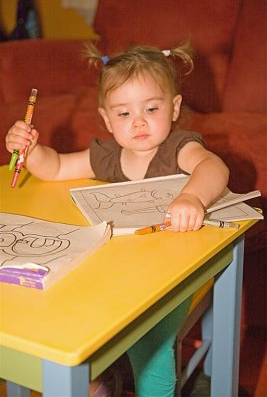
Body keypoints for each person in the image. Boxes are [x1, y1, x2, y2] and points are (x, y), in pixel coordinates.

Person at [5, 43, 229, 397]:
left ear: (174, 108)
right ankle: (99, 382)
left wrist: (192, 196)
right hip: (115, 276)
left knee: (151, 351)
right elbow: (57, 167)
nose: (138, 122)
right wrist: (32, 151)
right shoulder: (108, 156)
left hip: (169, 278)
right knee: (66, 321)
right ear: (107, 119)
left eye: (151, 109)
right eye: (123, 114)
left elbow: (213, 166)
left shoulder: (179, 148)